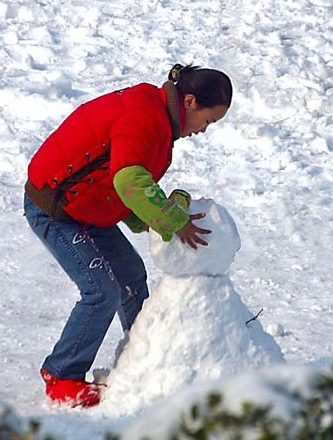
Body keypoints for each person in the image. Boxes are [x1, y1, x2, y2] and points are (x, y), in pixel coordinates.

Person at [23, 64, 232, 407]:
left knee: (131, 275)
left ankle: (144, 356)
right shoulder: (145, 116)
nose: (204, 131)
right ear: (191, 102)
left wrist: (148, 218)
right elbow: (130, 181)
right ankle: (61, 375)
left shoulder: (159, 115)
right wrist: (171, 221)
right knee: (100, 290)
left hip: (89, 205)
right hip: (57, 207)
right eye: (208, 121)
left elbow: (125, 174)